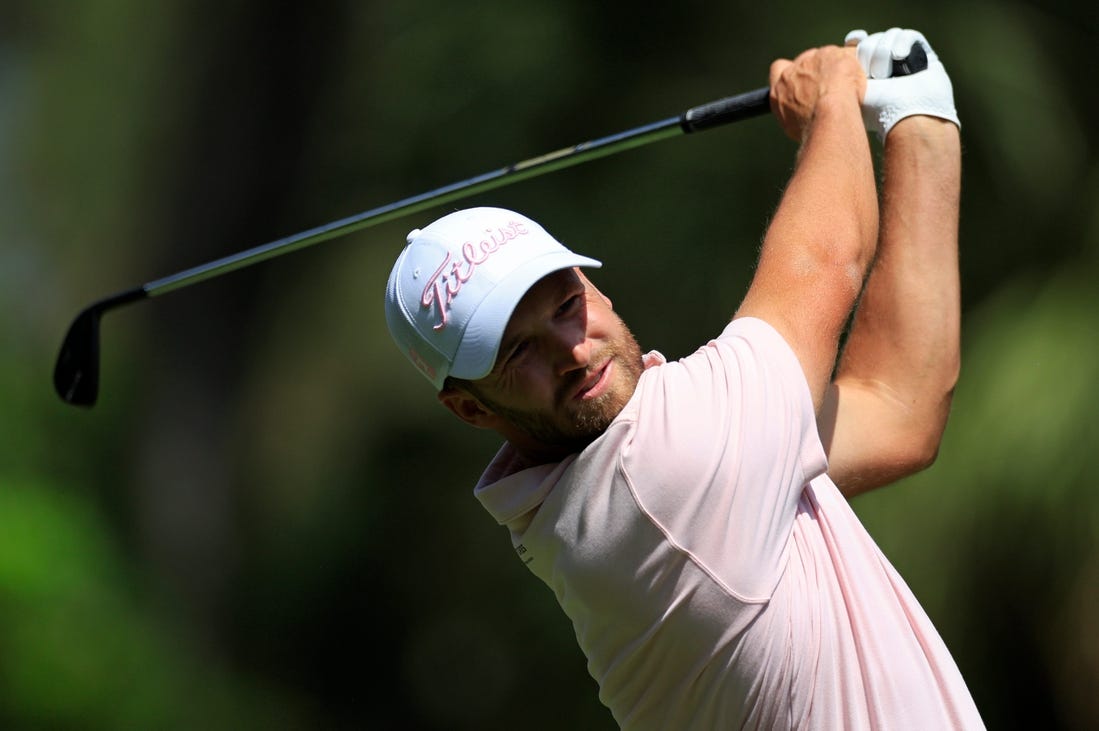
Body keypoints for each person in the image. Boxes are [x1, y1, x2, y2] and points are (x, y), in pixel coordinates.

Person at [384, 26, 982, 730]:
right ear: (469, 408)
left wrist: (919, 118)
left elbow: (896, 407)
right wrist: (833, 96)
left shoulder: (693, 466)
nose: (572, 351)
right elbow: (826, 263)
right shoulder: (657, 475)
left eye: (568, 306)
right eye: (517, 353)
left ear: (591, 284)